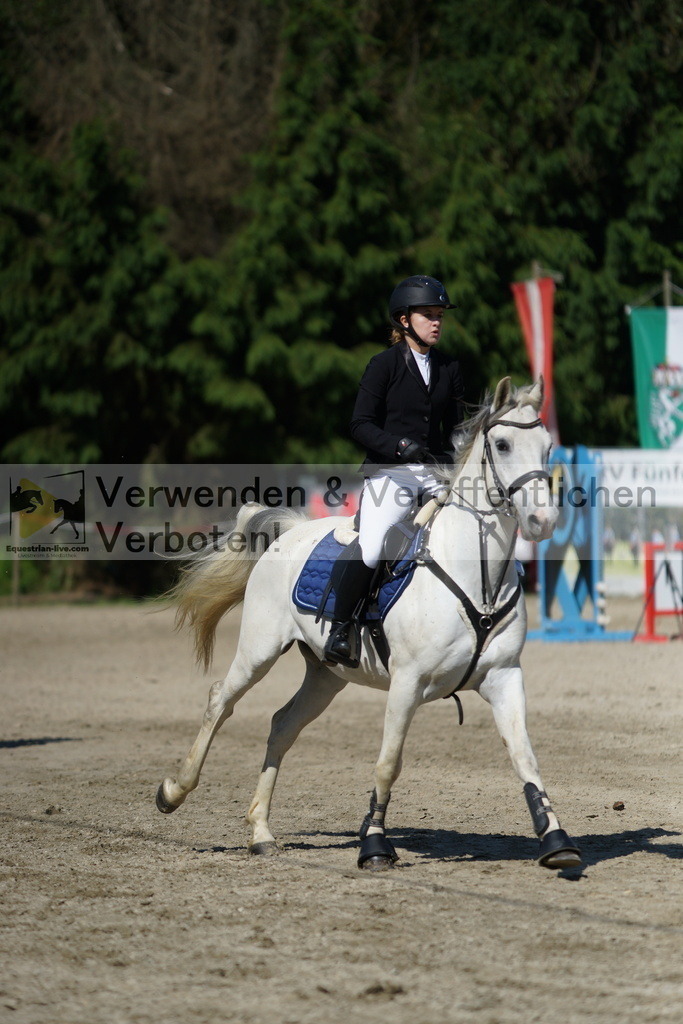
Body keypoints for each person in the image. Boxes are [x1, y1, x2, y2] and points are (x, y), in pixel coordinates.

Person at [324, 275, 465, 665]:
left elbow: (455, 429)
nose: (437, 322)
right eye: (428, 315)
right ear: (404, 320)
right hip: (391, 474)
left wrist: (457, 460)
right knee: (372, 547)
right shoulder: (383, 365)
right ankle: (341, 630)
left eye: (440, 315)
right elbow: (360, 424)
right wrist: (400, 446)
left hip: (436, 474)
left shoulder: (450, 367)